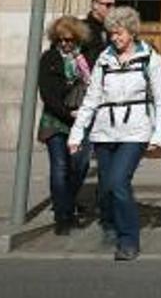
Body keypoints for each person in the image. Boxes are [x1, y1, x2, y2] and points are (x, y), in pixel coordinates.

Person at [68, 6, 161, 261]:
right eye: (112, 33)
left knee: (117, 182)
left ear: (132, 32)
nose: (115, 38)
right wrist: (76, 134)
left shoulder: (151, 59)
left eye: (120, 33)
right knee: (106, 188)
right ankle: (111, 225)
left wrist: (159, 137)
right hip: (104, 132)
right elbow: (91, 100)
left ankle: (129, 240)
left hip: (135, 131)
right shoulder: (104, 60)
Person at [37, 16, 94, 236]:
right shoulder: (49, 58)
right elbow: (47, 93)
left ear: (77, 39)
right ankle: (63, 216)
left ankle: (67, 204)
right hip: (56, 120)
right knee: (59, 167)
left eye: (69, 40)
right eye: (60, 39)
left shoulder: (86, 59)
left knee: (79, 166)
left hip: (82, 121)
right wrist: (68, 112)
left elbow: (95, 86)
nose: (64, 44)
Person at [80, 0, 115, 66]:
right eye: (108, 5)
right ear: (95, 5)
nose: (112, 9)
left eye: (113, 5)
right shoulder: (80, 27)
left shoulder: (112, 28)